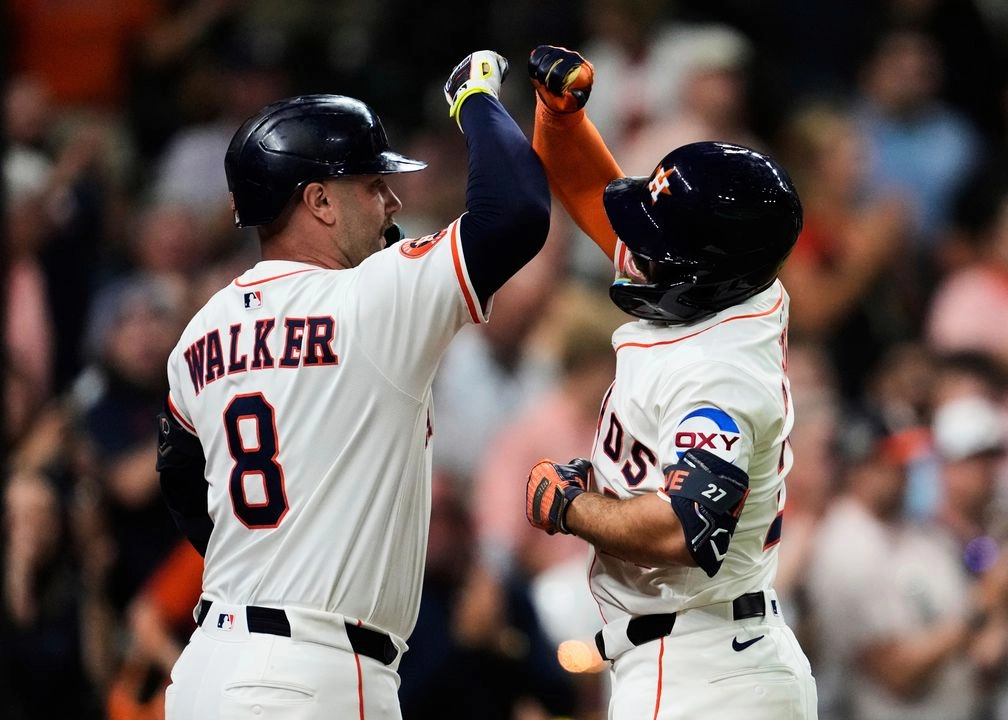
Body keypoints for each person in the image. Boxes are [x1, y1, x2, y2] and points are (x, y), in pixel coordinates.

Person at [155, 50, 551, 719]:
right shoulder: (373, 299)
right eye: (372, 184)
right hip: (314, 675)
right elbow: (516, 210)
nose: (393, 201)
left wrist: (280, 563)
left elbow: (188, 494)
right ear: (318, 202)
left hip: (210, 669)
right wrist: (473, 97)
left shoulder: (201, 331)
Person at [521, 45, 818, 718]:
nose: (636, 252)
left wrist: (569, 508)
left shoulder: (720, 374)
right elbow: (590, 193)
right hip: (699, 661)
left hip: (704, 674)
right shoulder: (726, 285)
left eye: (658, 247)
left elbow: (685, 529)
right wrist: (559, 119)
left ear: (703, 270)